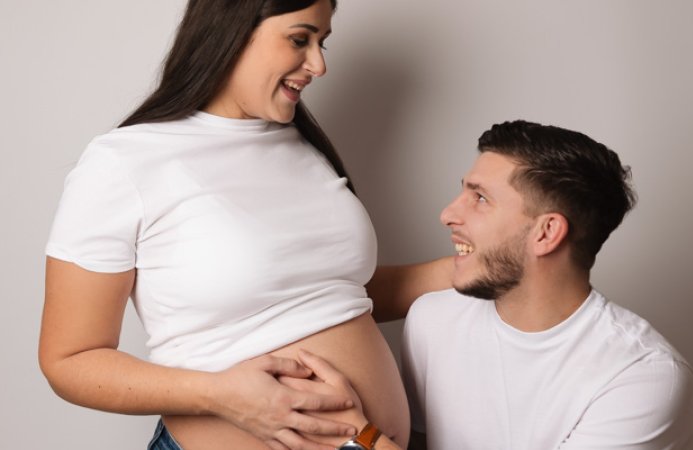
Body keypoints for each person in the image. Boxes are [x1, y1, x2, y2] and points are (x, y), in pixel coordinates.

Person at [38, 1, 450, 449]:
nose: (319, 64)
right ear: (230, 29)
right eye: (300, 39)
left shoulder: (300, 145)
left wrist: (471, 270)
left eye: (322, 42)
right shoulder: (124, 162)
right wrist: (221, 396)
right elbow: (69, 359)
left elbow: (335, 297)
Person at [401, 120, 693, 449]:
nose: (448, 214)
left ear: (546, 233)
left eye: (480, 198)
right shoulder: (432, 319)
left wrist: (365, 439)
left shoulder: (643, 376)